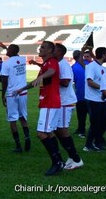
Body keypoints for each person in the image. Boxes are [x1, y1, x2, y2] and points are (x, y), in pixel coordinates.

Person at [15, 41, 64, 176]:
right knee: (49, 133)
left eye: (43, 47)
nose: (40, 49)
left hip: (50, 103)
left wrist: (42, 76)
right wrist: (22, 89)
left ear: (49, 51)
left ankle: (56, 163)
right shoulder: (44, 65)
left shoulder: (52, 62)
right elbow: (35, 82)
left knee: (41, 134)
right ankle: (59, 160)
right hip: (48, 103)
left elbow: (52, 71)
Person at [53, 43, 84, 170]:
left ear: (59, 51)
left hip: (66, 102)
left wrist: (50, 78)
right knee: (56, 129)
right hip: (60, 102)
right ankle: (71, 156)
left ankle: (76, 159)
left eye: (53, 49)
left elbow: (65, 82)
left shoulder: (63, 65)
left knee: (62, 129)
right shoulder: (58, 63)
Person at [0, 42, 31, 152]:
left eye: (8, 50)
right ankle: (27, 137)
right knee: (23, 117)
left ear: (11, 51)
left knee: (12, 119)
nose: (6, 51)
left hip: (12, 94)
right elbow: (14, 54)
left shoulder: (6, 64)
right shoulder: (21, 60)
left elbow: (4, 81)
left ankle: (18, 145)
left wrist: (3, 95)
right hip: (23, 92)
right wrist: (6, 47)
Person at [84, 46, 106, 151]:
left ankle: (98, 142)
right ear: (103, 55)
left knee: (103, 122)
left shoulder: (105, 69)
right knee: (95, 123)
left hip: (103, 100)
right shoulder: (91, 66)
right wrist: (103, 88)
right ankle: (88, 145)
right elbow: (90, 82)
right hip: (93, 100)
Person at [71, 48, 92, 139]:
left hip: (80, 95)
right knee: (92, 114)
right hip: (90, 94)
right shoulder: (88, 64)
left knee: (81, 115)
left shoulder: (73, 67)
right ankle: (91, 130)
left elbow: (73, 80)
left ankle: (81, 130)